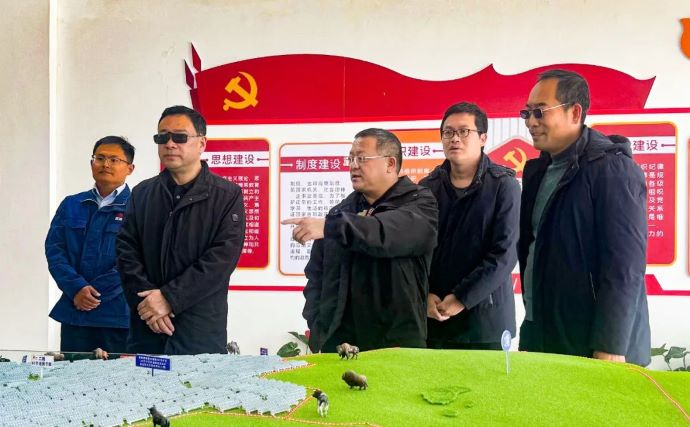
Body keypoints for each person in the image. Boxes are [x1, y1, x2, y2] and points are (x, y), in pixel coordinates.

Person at [518, 69, 650, 366]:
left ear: (575, 112)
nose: (530, 122)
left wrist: (610, 344)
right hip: (543, 331)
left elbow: (624, 266)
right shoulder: (537, 173)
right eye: (527, 112)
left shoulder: (612, 169)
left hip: (594, 342)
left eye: (540, 112)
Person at [282, 128, 438, 353]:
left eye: (362, 158)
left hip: (397, 345)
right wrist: (318, 326)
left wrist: (331, 227)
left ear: (390, 163)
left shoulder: (419, 204)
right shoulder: (340, 212)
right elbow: (316, 276)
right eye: (351, 158)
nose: (353, 165)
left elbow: (384, 232)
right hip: (339, 343)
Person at [117, 105, 245, 355]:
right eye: (162, 137)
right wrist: (149, 305)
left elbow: (221, 259)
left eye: (180, 137)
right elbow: (126, 251)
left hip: (199, 330)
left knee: (197, 382)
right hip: (147, 325)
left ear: (202, 143)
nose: (170, 144)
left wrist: (169, 298)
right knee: (143, 381)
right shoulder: (143, 193)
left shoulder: (226, 195)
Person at [419, 102, 519, 350]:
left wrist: (462, 298)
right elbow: (416, 250)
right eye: (448, 132)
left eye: (464, 131)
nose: (455, 138)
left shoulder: (503, 185)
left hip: (485, 323)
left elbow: (505, 254)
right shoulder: (427, 188)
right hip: (435, 318)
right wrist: (424, 293)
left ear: (483, 138)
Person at [46, 136, 135, 353]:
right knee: (71, 372)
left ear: (130, 168)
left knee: (116, 373)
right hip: (75, 312)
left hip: (117, 315)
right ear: (91, 163)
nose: (106, 164)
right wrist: (76, 288)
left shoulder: (138, 207)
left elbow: (135, 259)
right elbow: (55, 250)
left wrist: (93, 294)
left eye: (114, 159)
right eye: (100, 158)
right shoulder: (72, 204)